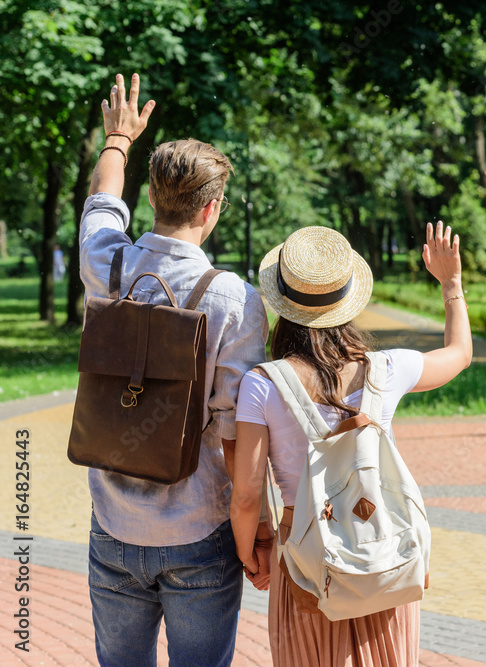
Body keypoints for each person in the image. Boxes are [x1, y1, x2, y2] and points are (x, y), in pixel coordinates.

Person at [79, 73, 270, 666]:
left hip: (112, 525)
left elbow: (102, 205)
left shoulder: (106, 265)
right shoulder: (234, 299)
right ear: (211, 208)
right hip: (197, 531)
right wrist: (254, 529)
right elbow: (235, 429)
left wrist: (118, 138)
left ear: (156, 199)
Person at [230, 222, 473, 666]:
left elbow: (246, 496)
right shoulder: (387, 368)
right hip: (383, 556)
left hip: (305, 560)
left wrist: (251, 554)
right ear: (347, 300)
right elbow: (459, 353)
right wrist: (451, 285)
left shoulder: (261, 385)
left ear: (283, 305)